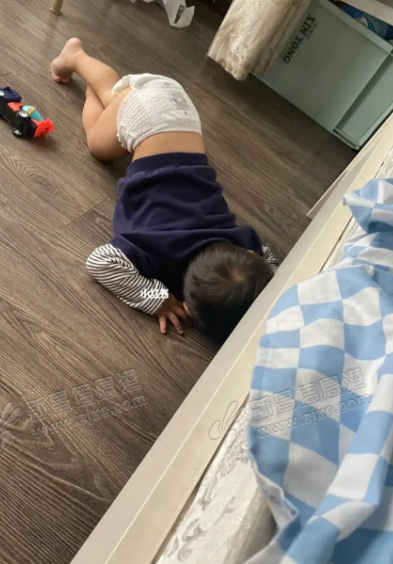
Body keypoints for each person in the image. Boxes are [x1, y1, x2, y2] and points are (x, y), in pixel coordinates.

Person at [51, 38, 278, 345]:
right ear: (187, 307)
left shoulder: (244, 245)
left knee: (114, 97)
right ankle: (75, 58)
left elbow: (268, 262)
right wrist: (156, 299)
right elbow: (100, 262)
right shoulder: (157, 250)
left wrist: (271, 283)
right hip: (146, 114)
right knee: (98, 145)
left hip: (179, 113)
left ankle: (107, 94)